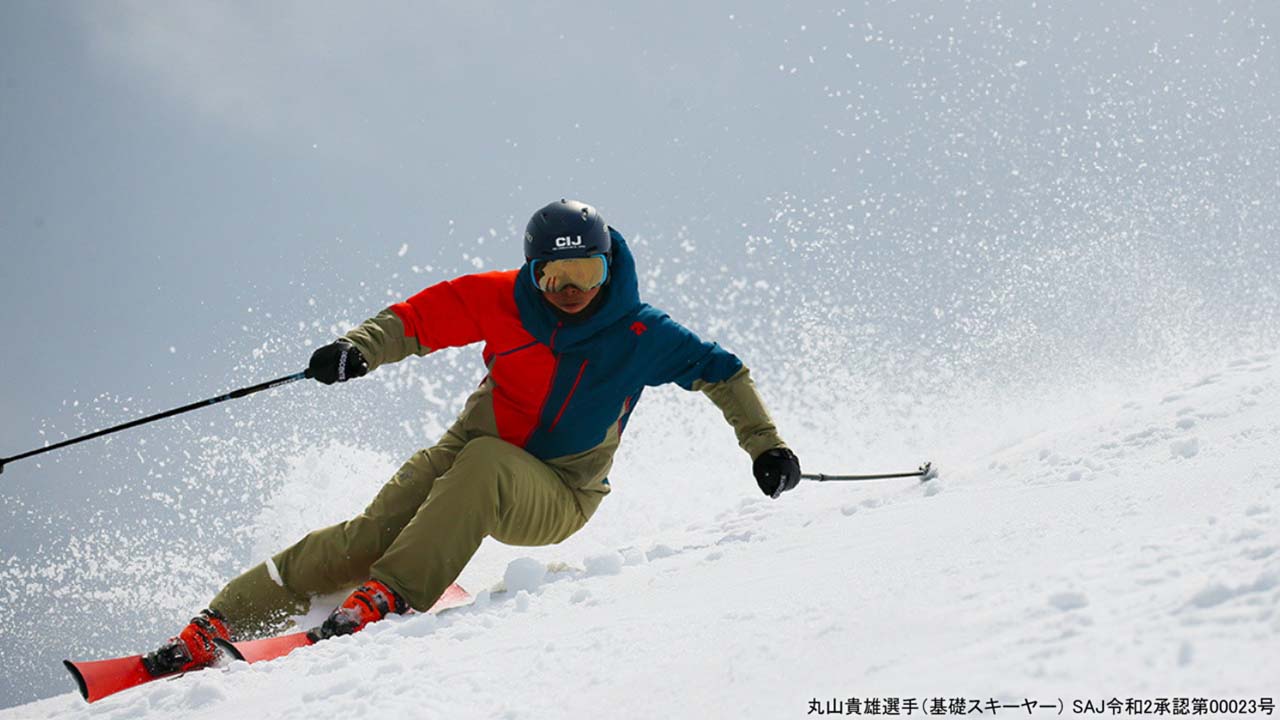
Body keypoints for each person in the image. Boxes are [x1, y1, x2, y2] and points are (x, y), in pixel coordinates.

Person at [142, 199, 801, 675]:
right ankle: (220, 622)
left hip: (561, 491)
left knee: (483, 463)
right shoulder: (502, 300)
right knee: (370, 535)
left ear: (610, 267)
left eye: (588, 277)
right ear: (533, 272)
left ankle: (394, 591)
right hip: (468, 459)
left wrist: (765, 446)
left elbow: (724, 373)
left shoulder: (642, 334)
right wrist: (356, 350)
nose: (571, 293)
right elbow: (415, 320)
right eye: (555, 279)